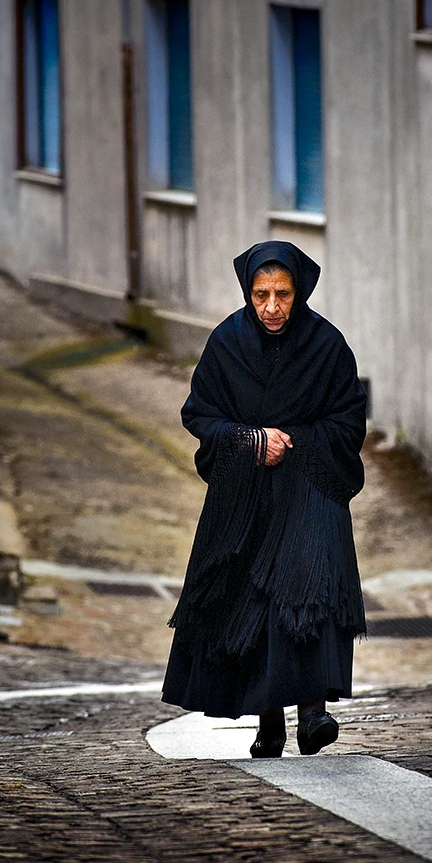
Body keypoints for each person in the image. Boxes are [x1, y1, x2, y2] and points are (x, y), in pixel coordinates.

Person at [161, 240, 369, 757]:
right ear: (247, 293)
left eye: (282, 294)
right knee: (251, 602)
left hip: (311, 485)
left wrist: (294, 442)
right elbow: (198, 414)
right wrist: (252, 441)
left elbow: (348, 420)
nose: (272, 307)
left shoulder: (327, 346)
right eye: (260, 295)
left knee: (308, 593)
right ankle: (269, 724)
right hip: (248, 492)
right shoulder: (226, 344)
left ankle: (314, 712)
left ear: (300, 292)